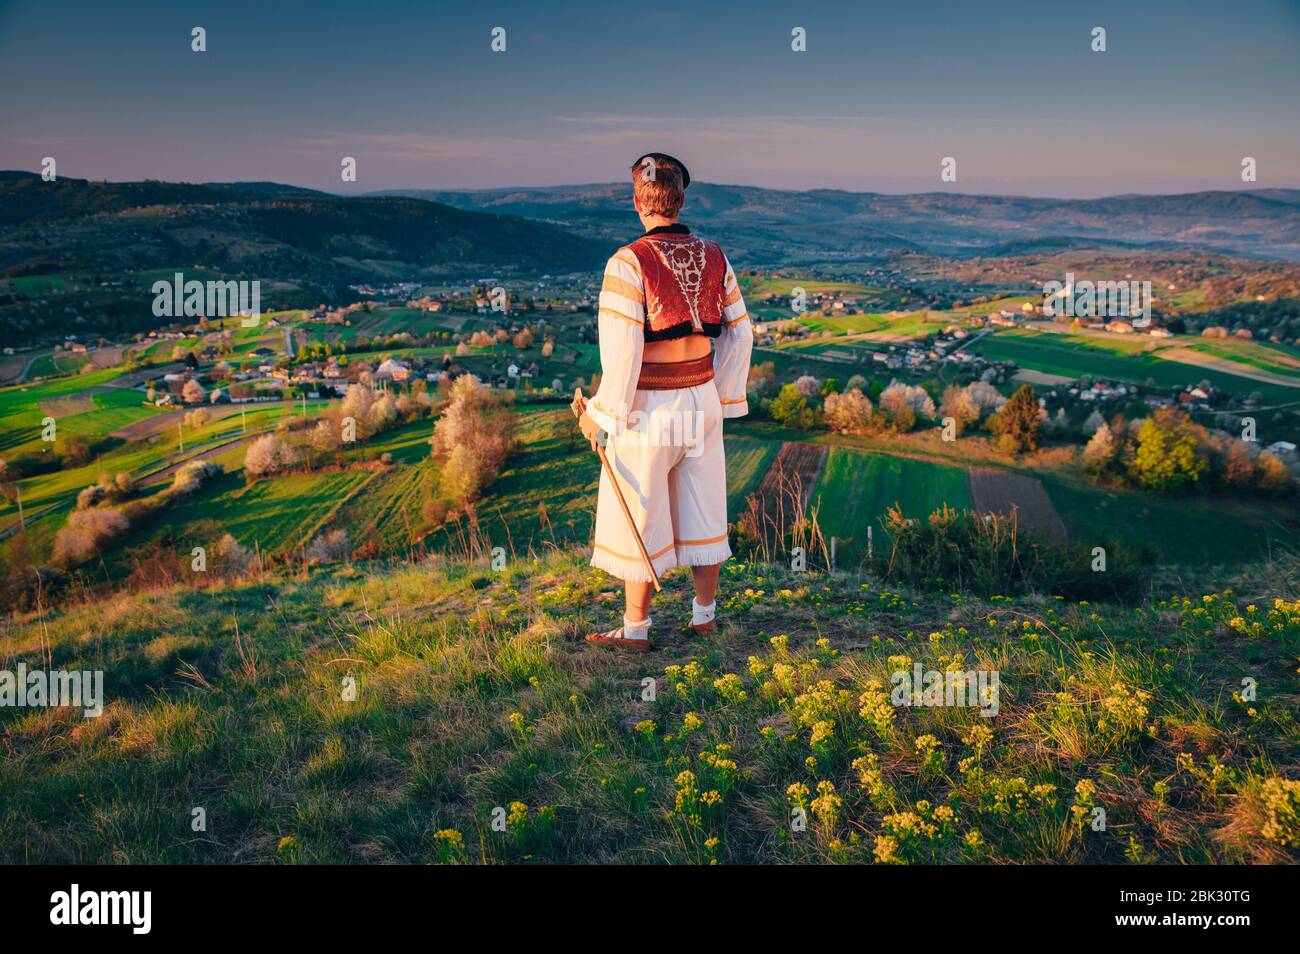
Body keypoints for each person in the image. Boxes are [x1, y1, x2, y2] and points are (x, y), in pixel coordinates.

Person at [578, 153, 753, 652]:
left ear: (638, 202)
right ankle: (704, 618)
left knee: (642, 506)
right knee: (704, 506)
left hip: (648, 409)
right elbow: (741, 335)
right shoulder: (716, 255)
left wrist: (599, 414)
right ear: (681, 200)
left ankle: (635, 630)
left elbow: (623, 351)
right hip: (701, 400)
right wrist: (719, 396)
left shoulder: (627, 262)